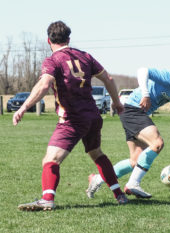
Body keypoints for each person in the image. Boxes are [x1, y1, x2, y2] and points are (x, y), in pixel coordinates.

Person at [13, 21, 128, 211]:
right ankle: (119, 195)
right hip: (93, 116)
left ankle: (47, 199)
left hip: (73, 120)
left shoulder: (53, 60)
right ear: (69, 39)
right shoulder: (85, 56)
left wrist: (24, 107)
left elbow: (44, 85)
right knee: (96, 153)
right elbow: (109, 78)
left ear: (48, 40)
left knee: (50, 160)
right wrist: (116, 102)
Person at [86, 53, 170, 199]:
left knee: (135, 160)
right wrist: (145, 94)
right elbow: (143, 71)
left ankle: (98, 179)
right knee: (157, 143)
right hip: (132, 109)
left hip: (135, 113)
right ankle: (133, 184)